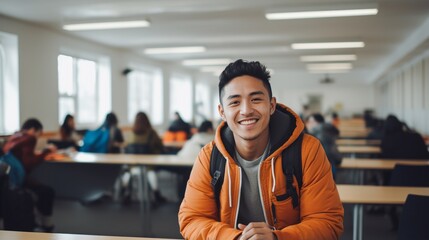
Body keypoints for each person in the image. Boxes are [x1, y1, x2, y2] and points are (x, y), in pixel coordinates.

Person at [179, 59, 344, 239]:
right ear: (222, 112)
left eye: (256, 99)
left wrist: (277, 238)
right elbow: (192, 219)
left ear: (272, 105)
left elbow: (327, 221)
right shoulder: (209, 157)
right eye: (234, 102)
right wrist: (234, 238)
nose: (246, 110)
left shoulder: (307, 150)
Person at [3, 118, 56, 232]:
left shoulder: (13, 137)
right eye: (39, 134)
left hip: (7, 181)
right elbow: (28, 163)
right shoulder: (30, 138)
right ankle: (46, 225)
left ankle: (41, 224)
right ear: (33, 130)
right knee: (47, 191)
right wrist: (46, 152)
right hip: (18, 179)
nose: (38, 137)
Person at [125, 112, 166, 203]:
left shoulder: (131, 134)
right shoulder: (151, 133)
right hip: (148, 166)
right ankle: (156, 194)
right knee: (151, 173)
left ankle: (126, 192)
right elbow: (160, 147)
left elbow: (126, 148)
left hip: (132, 165)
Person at [305, 113, 343, 178]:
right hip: (334, 162)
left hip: (325, 167)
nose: (308, 124)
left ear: (317, 122)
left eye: (310, 122)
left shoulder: (317, 133)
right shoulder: (327, 129)